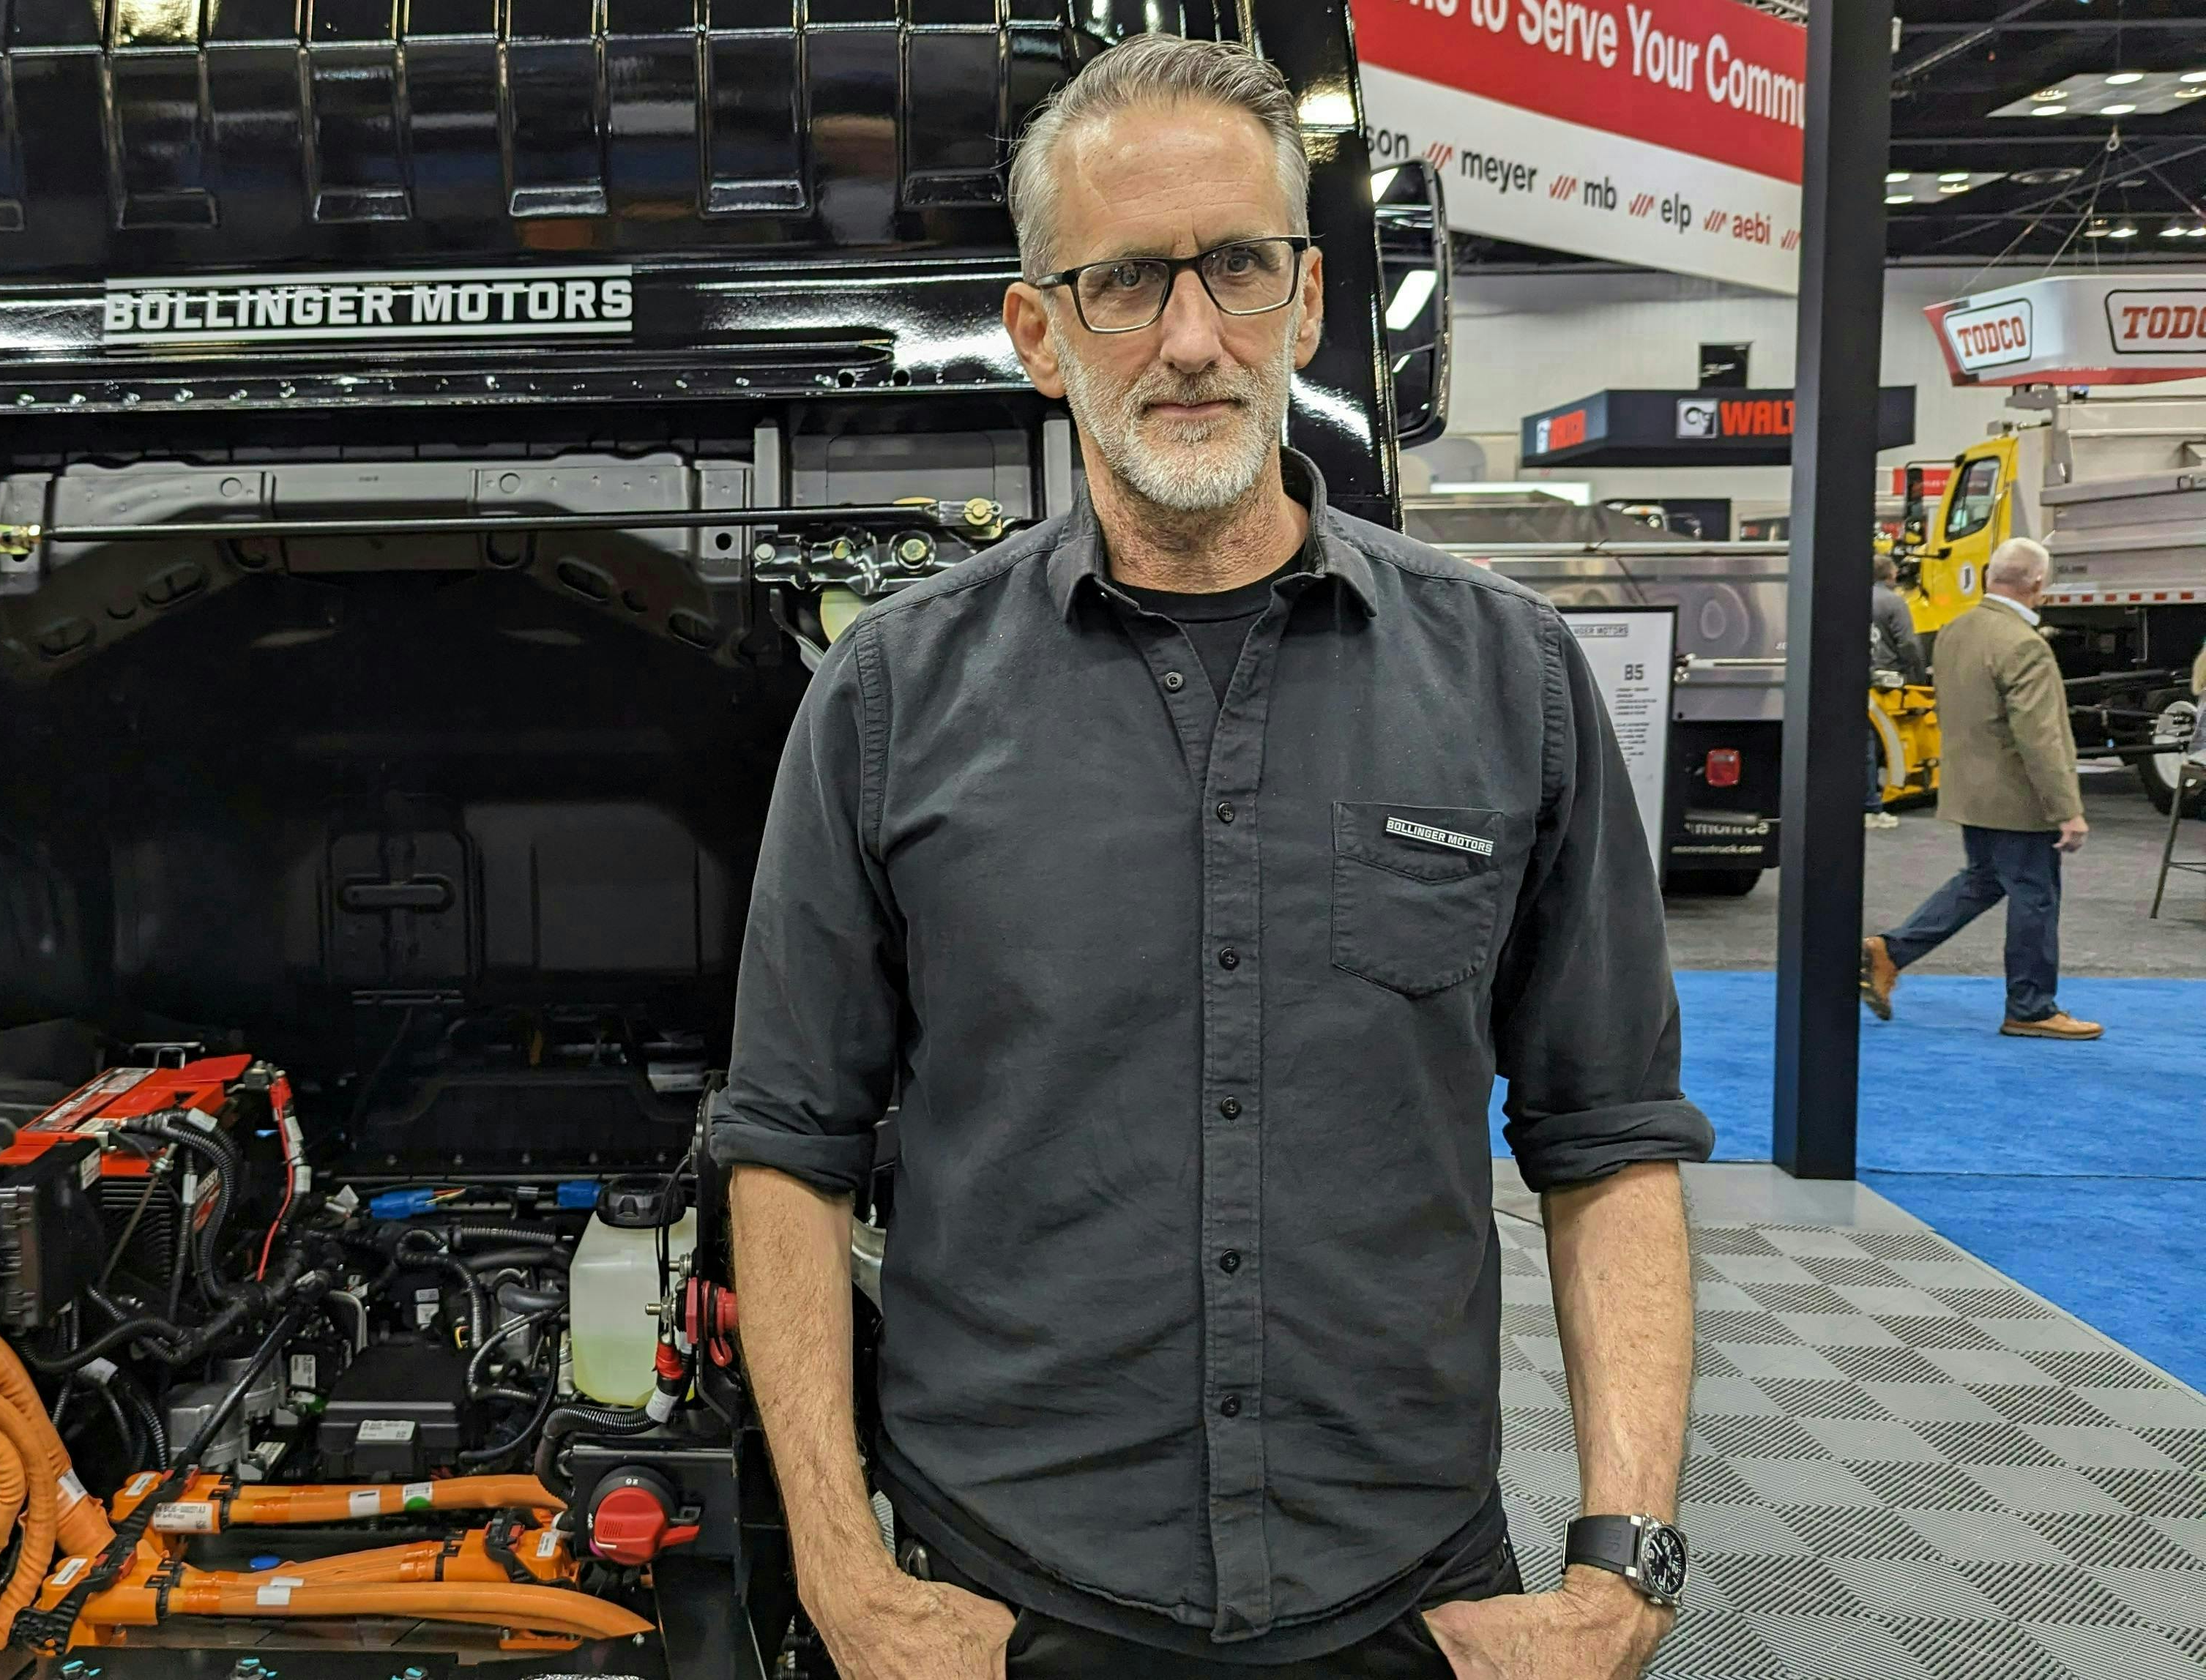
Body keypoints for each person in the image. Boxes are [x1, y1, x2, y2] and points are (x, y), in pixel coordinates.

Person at [709, 37, 1709, 1680]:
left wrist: (1629, 1559)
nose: (1191, 338)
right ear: (1038, 332)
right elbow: (788, 1145)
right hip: (1005, 1603)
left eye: (1239, 267)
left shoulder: (1510, 682)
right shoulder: (890, 700)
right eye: (1124, 283)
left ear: (1307, 304)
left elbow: (1609, 1143)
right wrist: (837, 1569)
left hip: (1407, 1595)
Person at [1861, 537, 2096, 1039]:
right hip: (2019, 798)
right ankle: (2031, 1007)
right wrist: (2067, 809)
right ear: (2038, 583)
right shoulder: (2025, 645)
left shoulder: (1955, 631)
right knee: (2035, 896)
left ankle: (1889, 950)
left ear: (1991, 574)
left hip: (1971, 789)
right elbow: (2041, 737)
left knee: (1982, 880)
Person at [1867, 554, 1928, 830]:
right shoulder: (1894, 601)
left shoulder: (1851, 597)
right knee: (1881, 743)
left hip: (1857, 678)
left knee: (1864, 742)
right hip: (1886, 682)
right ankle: (1871, 806)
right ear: (1890, 575)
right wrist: (1918, 675)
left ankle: (1867, 796)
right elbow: (1908, 644)